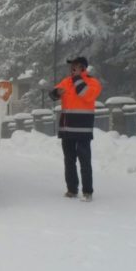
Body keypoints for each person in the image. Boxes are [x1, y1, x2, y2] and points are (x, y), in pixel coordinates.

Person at [49, 57, 103, 201]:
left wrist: (78, 78)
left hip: (83, 130)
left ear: (83, 68)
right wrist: (56, 93)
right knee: (69, 161)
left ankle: (87, 192)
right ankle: (72, 190)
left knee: (85, 161)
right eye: (72, 66)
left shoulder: (93, 83)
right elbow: (52, 95)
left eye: (76, 66)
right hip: (67, 129)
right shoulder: (66, 82)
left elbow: (85, 94)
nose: (73, 69)